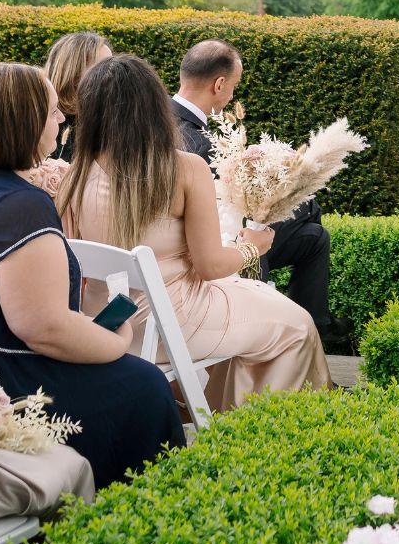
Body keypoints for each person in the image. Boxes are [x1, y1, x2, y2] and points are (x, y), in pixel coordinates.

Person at [61, 55, 329, 410]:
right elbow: (209, 266)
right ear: (155, 106)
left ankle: (226, 415)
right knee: (297, 325)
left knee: (251, 305)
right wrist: (253, 248)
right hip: (170, 322)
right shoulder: (184, 168)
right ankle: (269, 430)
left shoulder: (73, 177)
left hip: (105, 322)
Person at [0, 62, 183, 488]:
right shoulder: (21, 205)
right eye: (50, 110)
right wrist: (115, 341)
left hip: (7, 367)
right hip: (19, 381)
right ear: (21, 121)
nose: (61, 117)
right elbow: (42, 327)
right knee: (147, 386)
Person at [171, 41, 333, 341]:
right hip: (214, 244)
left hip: (208, 235)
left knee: (314, 238)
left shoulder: (165, 120)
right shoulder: (197, 144)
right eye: (233, 85)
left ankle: (313, 330)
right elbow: (228, 213)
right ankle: (295, 330)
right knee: (308, 210)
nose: (233, 94)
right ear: (219, 84)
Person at [42, 32, 110, 163]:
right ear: (72, 72)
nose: (115, 73)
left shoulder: (109, 120)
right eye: (103, 68)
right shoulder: (42, 120)